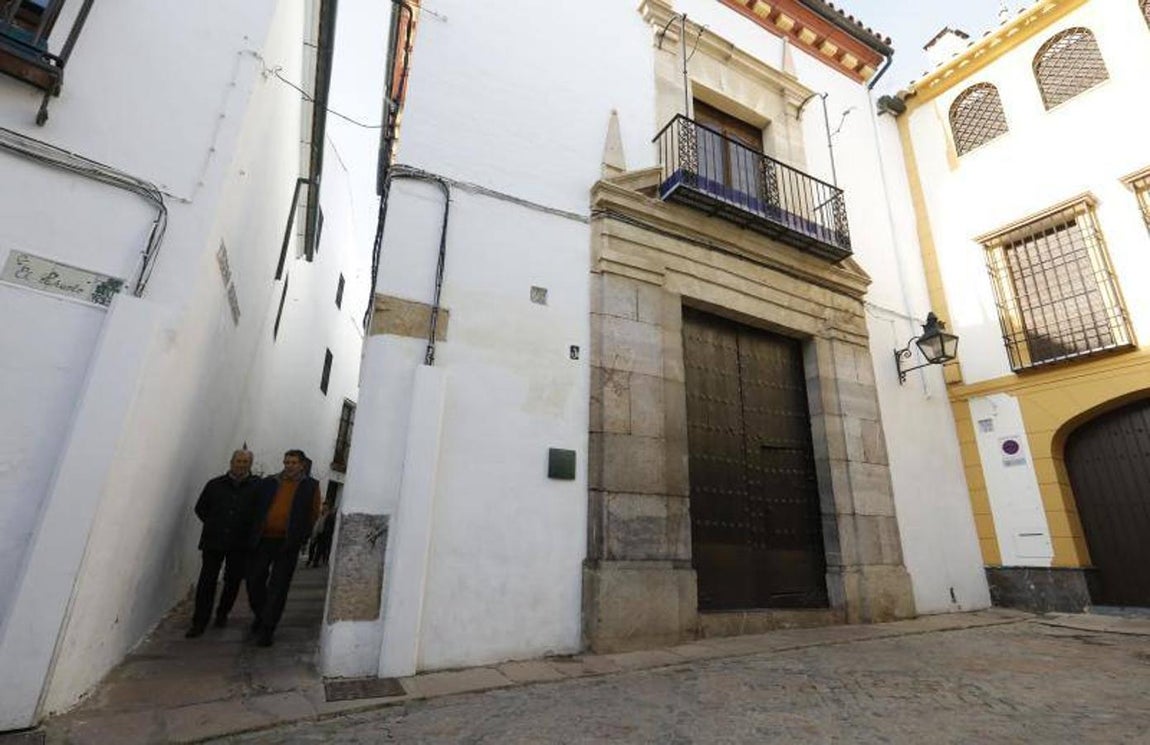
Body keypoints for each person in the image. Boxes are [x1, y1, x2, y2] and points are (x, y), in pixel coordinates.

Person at [246, 449, 321, 647]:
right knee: (254, 580)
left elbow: (313, 514)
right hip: (263, 540)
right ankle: (261, 614)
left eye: (293, 462)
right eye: (287, 462)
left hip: (287, 543)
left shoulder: (310, 486)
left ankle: (268, 628)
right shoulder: (270, 482)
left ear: (302, 465)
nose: (289, 465)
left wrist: (301, 536)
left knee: (278, 586)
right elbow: (256, 507)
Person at [186, 449, 261, 638]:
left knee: (232, 581)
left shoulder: (257, 487)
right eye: (238, 461)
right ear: (231, 462)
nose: (241, 464)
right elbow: (201, 508)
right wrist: (215, 524)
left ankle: (222, 613)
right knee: (207, 581)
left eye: (245, 462)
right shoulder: (215, 484)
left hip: (240, 543)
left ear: (250, 464)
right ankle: (199, 621)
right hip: (214, 541)